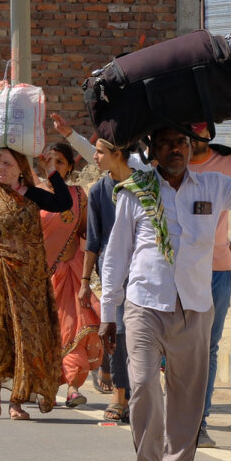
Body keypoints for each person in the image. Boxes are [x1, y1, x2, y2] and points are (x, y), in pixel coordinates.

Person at [99, 109, 231, 461]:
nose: (174, 149)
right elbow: (115, 257)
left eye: (180, 142)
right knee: (145, 385)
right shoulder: (137, 191)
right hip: (145, 304)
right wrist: (106, 315)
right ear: (152, 151)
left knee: (187, 396)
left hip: (195, 306)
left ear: (190, 147)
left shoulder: (214, 186)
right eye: (165, 143)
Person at [0, 147, 72, 420]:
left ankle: (17, 399)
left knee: (26, 336)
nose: (0, 169)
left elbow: (63, 203)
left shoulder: (32, 196)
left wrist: (50, 170)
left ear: (20, 166)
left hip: (30, 280)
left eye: (7, 163)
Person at [186, 123, 231, 448]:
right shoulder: (169, 163)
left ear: (209, 133)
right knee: (178, 348)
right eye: (188, 130)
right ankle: (176, 416)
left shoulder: (227, 166)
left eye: (200, 130)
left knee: (208, 347)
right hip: (178, 273)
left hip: (217, 271)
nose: (193, 137)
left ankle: (198, 423)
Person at [82, 137, 144, 422]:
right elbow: (93, 241)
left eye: (100, 152)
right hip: (112, 273)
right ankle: (120, 393)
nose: (95, 157)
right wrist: (85, 281)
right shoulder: (98, 191)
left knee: (140, 333)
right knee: (117, 332)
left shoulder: (145, 186)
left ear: (117, 154)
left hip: (143, 271)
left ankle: (138, 396)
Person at [38, 141, 103, 409]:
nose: (55, 167)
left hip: (74, 275)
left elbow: (88, 233)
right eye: (50, 161)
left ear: (70, 167)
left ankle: (73, 388)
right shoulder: (34, 194)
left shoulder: (78, 196)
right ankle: (47, 387)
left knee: (77, 330)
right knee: (46, 334)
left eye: (61, 162)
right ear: (43, 164)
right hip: (42, 278)